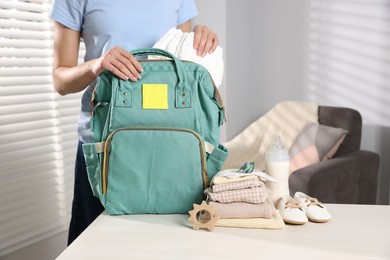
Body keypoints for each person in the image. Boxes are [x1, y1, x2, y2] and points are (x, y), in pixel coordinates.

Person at [49, 0, 219, 245]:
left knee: (168, 247)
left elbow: (182, 65)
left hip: (170, 141)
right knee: (93, 247)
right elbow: (60, 80)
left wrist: (200, 41)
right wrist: (95, 65)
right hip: (104, 146)